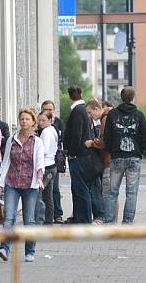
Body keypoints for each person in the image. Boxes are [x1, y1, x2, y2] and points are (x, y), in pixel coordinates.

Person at [0, 108, 45, 263]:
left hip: (30, 185)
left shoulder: (37, 141)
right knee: (9, 218)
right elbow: (6, 163)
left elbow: (40, 162)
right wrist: (0, 184)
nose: (24, 122)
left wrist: (39, 177)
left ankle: (30, 251)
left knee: (29, 220)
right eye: (22, 119)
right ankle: (5, 248)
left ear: (33, 122)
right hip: (12, 183)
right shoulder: (12, 140)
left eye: (27, 119)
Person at [103, 87, 146, 224]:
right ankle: (127, 222)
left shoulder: (112, 114)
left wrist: (113, 151)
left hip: (117, 157)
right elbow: (145, 138)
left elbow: (107, 137)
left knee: (112, 192)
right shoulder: (139, 115)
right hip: (134, 157)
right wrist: (139, 152)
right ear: (133, 98)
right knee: (131, 192)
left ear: (121, 98)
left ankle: (109, 222)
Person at [63, 85, 93, 223]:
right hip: (82, 154)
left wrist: (72, 153)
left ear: (70, 97)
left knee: (80, 188)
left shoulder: (77, 111)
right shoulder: (82, 110)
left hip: (78, 156)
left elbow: (76, 134)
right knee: (78, 188)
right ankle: (79, 217)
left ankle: (84, 219)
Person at [41, 100, 66, 224]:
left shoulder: (56, 125)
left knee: (51, 191)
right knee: (48, 193)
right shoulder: (42, 127)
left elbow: (45, 149)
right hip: (48, 163)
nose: (48, 111)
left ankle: (55, 215)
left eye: (50, 109)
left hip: (52, 162)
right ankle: (48, 218)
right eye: (45, 109)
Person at [84, 99, 106, 224]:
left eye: (90, 112)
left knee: (99, 189)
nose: (89, 115)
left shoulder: (104, 119)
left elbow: (104, 141)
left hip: (101, 162)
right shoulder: (98, 121)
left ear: (97, 109)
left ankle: (101, 216)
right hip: (100, 161)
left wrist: (92, 143)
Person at [34, 111, 58, 225]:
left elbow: (44, 151)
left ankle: (39, 221)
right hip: (52, 166)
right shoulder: (52, 130)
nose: (41, 122)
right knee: (48, 196)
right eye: (39, 120)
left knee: (38, 194)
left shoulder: (46, 132)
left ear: (50, 120)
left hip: (46, 166)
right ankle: (49, 221)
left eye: (44, 120)